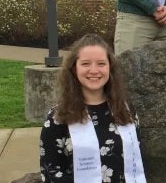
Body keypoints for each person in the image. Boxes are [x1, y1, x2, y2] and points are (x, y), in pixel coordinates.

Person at [39, 34, 145, 182]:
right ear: (74, 68)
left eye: (101, 64)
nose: (94, 70)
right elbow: (51, 173)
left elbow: (136, 162)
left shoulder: (126, 111)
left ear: (110, 68)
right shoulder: (58, 117)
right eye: (86, 63)